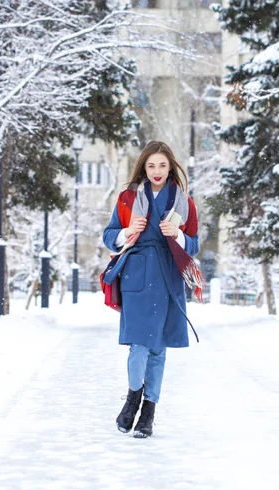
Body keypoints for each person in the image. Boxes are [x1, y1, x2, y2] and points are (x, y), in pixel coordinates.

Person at [102, 140, 203, 438]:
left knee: (158, 349)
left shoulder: (185, 203)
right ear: (143, 168)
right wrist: (127, 232)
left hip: (168, 275)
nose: (157, 171)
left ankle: (148, 412)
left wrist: (180, 237)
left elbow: (194, 244)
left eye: (162, 165)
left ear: (170, 166)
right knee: (138, 345)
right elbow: (109, 237)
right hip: (137, 277)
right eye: (151, 165)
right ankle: (133, 397)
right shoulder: (127, 198)